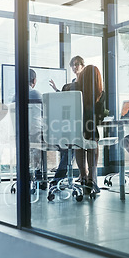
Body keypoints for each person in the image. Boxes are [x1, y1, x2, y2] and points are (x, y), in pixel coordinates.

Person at [48, 56, 84, 184]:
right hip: (70, 121)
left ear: (82, 65)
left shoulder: (85, 82)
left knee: (71, 146)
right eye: (73, 65)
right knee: (66, 146)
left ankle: (60, 177)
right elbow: (66, 99)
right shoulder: (73, 83)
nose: (75, 67)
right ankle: (61, 176)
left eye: (77, 64)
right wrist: (57, 90)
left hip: (81, 121)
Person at [75, 65, 106, 194]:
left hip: (71, 131)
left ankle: (83, 175)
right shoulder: (100, 94)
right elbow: (99, 119)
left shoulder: (71, 89)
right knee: (93, 137)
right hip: (90, 131)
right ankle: (92, 178)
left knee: (79, 142)